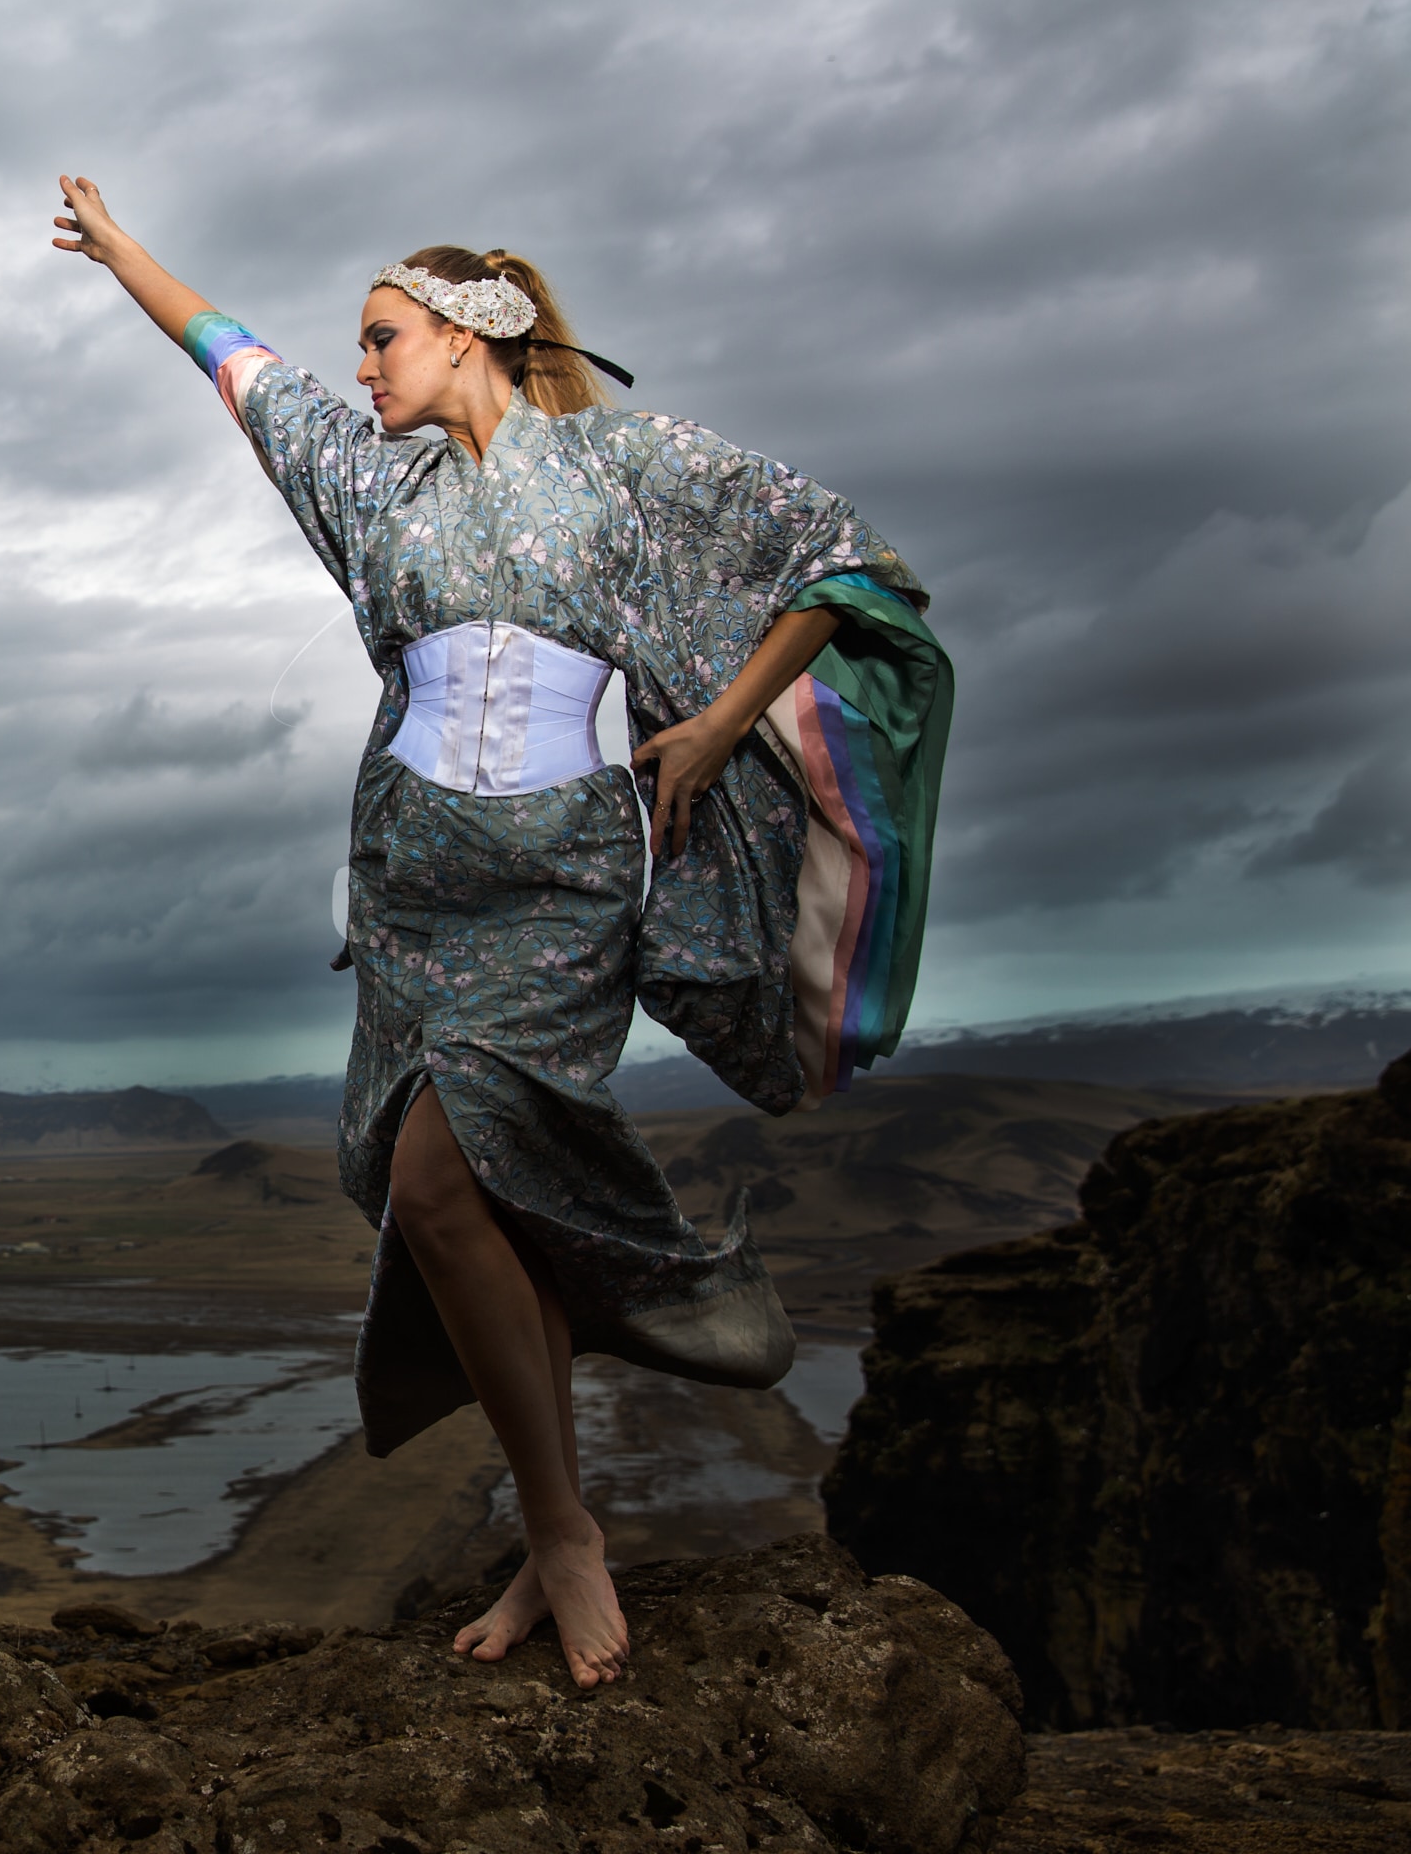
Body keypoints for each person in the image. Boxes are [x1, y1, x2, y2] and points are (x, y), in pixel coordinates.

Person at [52, 176, 951, 1689]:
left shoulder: (624, 463)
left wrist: (723, 725)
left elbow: (840, 560)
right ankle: (559, 1527)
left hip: (562, 889)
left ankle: (567, 1531)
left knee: (443, 1165)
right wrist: (121, 249)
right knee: (468, 1201)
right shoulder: (366, 481)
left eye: (385, 337)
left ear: (474, 334)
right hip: (414, 887)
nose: (362, 366)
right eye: (359, 343)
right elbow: (229, 359)